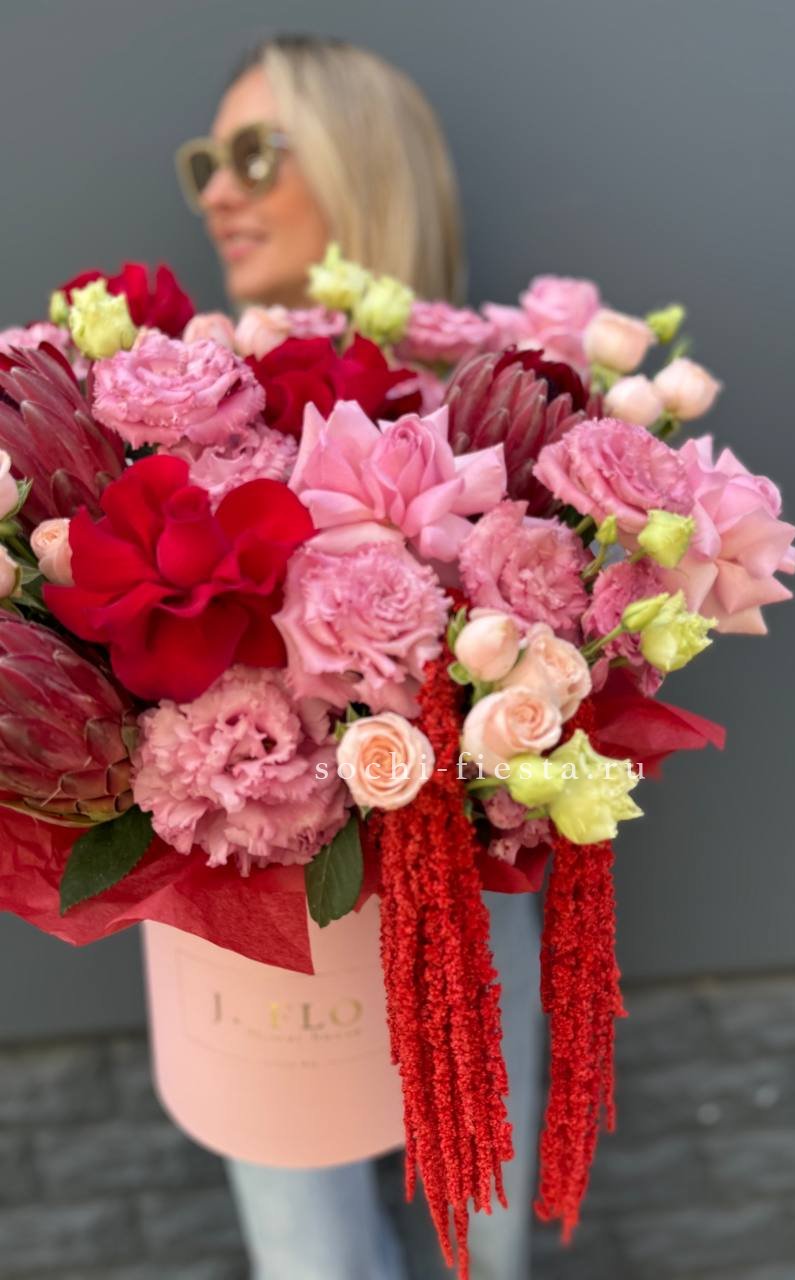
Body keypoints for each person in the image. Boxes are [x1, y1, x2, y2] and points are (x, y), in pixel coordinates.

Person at [175, 34, 543, 1280]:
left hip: (467, 884)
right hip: (264, 922)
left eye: (255, 151)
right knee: (310, 1251)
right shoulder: (173, 413)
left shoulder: (493, 413)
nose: (219, 191)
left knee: (491, 1217)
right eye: (204, 163)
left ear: (357, 158)